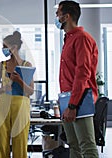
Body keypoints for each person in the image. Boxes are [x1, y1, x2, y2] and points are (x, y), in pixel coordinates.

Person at [55, 1, 99, 157]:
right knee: (73, 145)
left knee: (86, 145)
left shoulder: (82, 38)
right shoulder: (68, 39)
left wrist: (73, 106)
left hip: (80, 99)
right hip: (67, 97)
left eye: (58, 13)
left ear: (66, 16)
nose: (56, 16)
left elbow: (82, 74)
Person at [0, 31, 34, 158]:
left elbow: (31, 91)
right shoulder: (1, 65)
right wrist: (3, 89)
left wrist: (19, 81)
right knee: (2, 140)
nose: (3, 49)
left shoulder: (27, 65)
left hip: (21, 105)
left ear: (14, 47)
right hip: (3, 104)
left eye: (5, 46)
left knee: (20, 140)